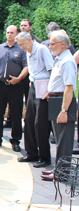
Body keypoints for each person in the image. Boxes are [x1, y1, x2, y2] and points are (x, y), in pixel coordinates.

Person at [42, 31, 78, 181]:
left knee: (64, 140)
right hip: (56, 99)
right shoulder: (60, 59)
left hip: (63, 102)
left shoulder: (67, 61)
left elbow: (69, 88)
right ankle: (59, 169)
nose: (49, 46)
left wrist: (64, 110)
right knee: (59, 138)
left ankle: (62, 173)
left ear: (63, 44)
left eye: (52, 44)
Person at [15, 32, 53, 168]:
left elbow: (51, 70)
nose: (21, 47)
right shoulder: (28, 51)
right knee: (29, 120)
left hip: (44, 87)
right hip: (33, 86)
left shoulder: (42, 49)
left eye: (22, 44)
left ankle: (44, 157)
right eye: (19, 45)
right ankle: (31, 153)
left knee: (40, 123)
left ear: (29, 40)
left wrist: (49, 90)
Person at [0, 25, 28, 152]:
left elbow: (26, 67)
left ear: (16, 34)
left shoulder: (21, 49)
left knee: (16, 115)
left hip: (15, 85)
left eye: (12, 32)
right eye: (7, 32)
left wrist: (19, 78)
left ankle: (15, 140)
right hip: (0, 85)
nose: (9, 34)